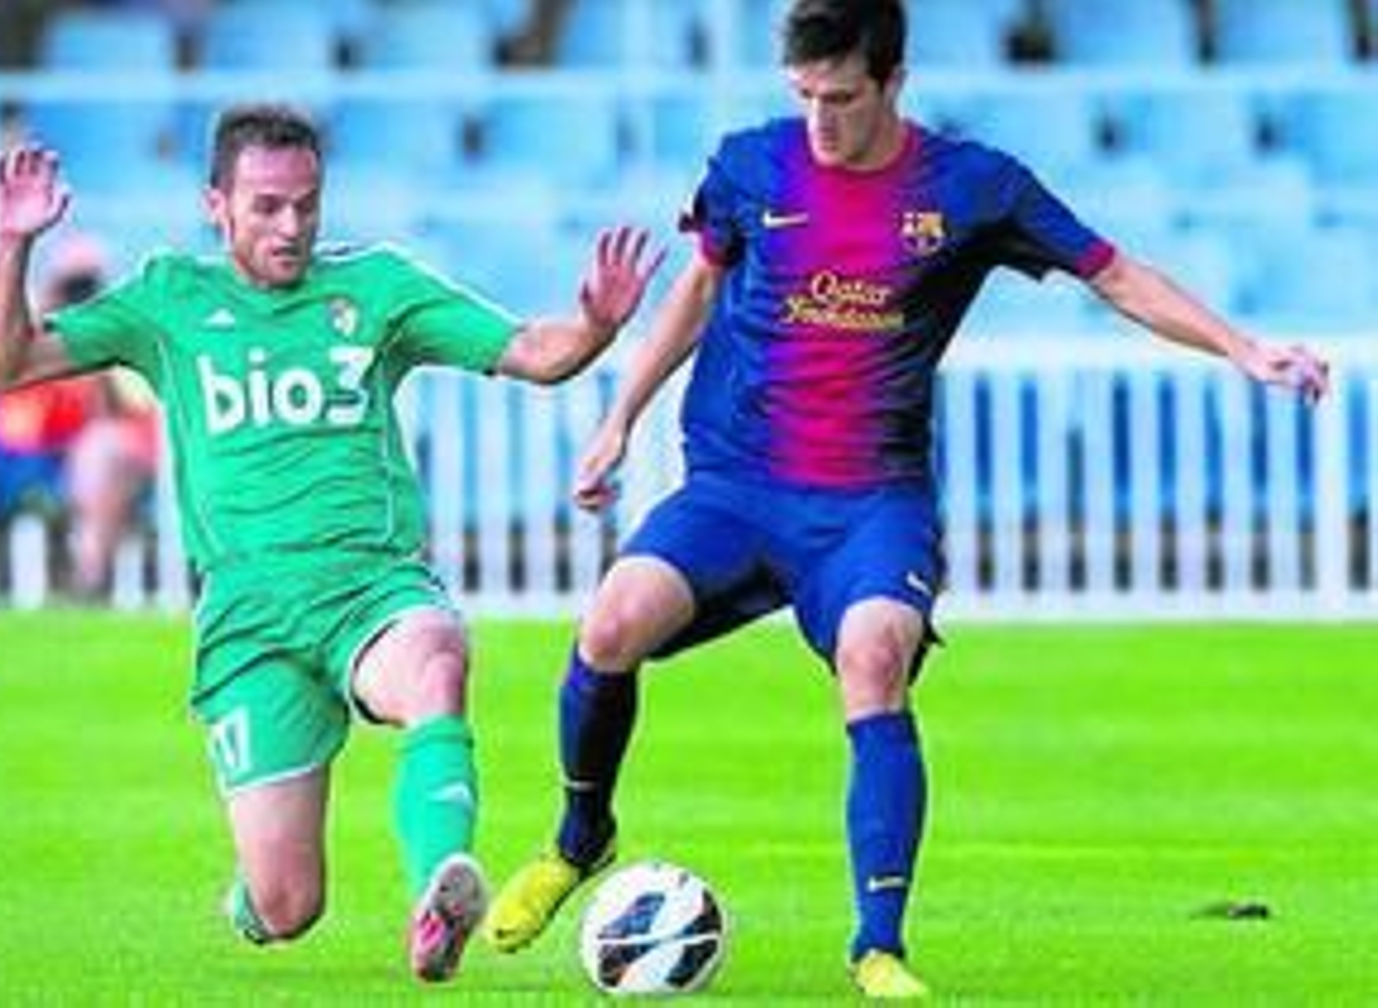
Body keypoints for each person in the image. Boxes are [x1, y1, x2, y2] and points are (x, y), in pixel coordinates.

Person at [483, 0, 1331, 999]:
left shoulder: (974, 187)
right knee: (610, 623)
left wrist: (1243, 347)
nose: (820, 122)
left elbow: (1117, 276)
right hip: (735, 484)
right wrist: (619, 417)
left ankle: (877, 946)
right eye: (803, 97)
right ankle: (579, 840)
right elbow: (699, 291)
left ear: (891, 81)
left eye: (840, 98)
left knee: (875, 657)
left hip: (867, 503)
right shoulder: (748, 164)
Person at [0, 103, 661, 982]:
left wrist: (595, 327)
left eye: (306, 203)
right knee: (289, 904)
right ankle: (252, 902)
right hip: (250, 623)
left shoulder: (376, 290)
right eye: (266, 206)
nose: (290, 225)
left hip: (371, 592)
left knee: (438, 662)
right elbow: (4, 366)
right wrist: (11, 244)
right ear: (216, 205)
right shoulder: (168, 300)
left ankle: (436, 892)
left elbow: (533, 351)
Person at [0, 232, 158, 601]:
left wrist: (102, 349)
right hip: (4, 455)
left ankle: (88, 590)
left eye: (87, 286)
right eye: (70, 284)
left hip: (79, 462)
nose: (78, 296)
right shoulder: (22, 322)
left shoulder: (125, 333)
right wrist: (44, 316)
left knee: (108, 449)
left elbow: (135, 410)